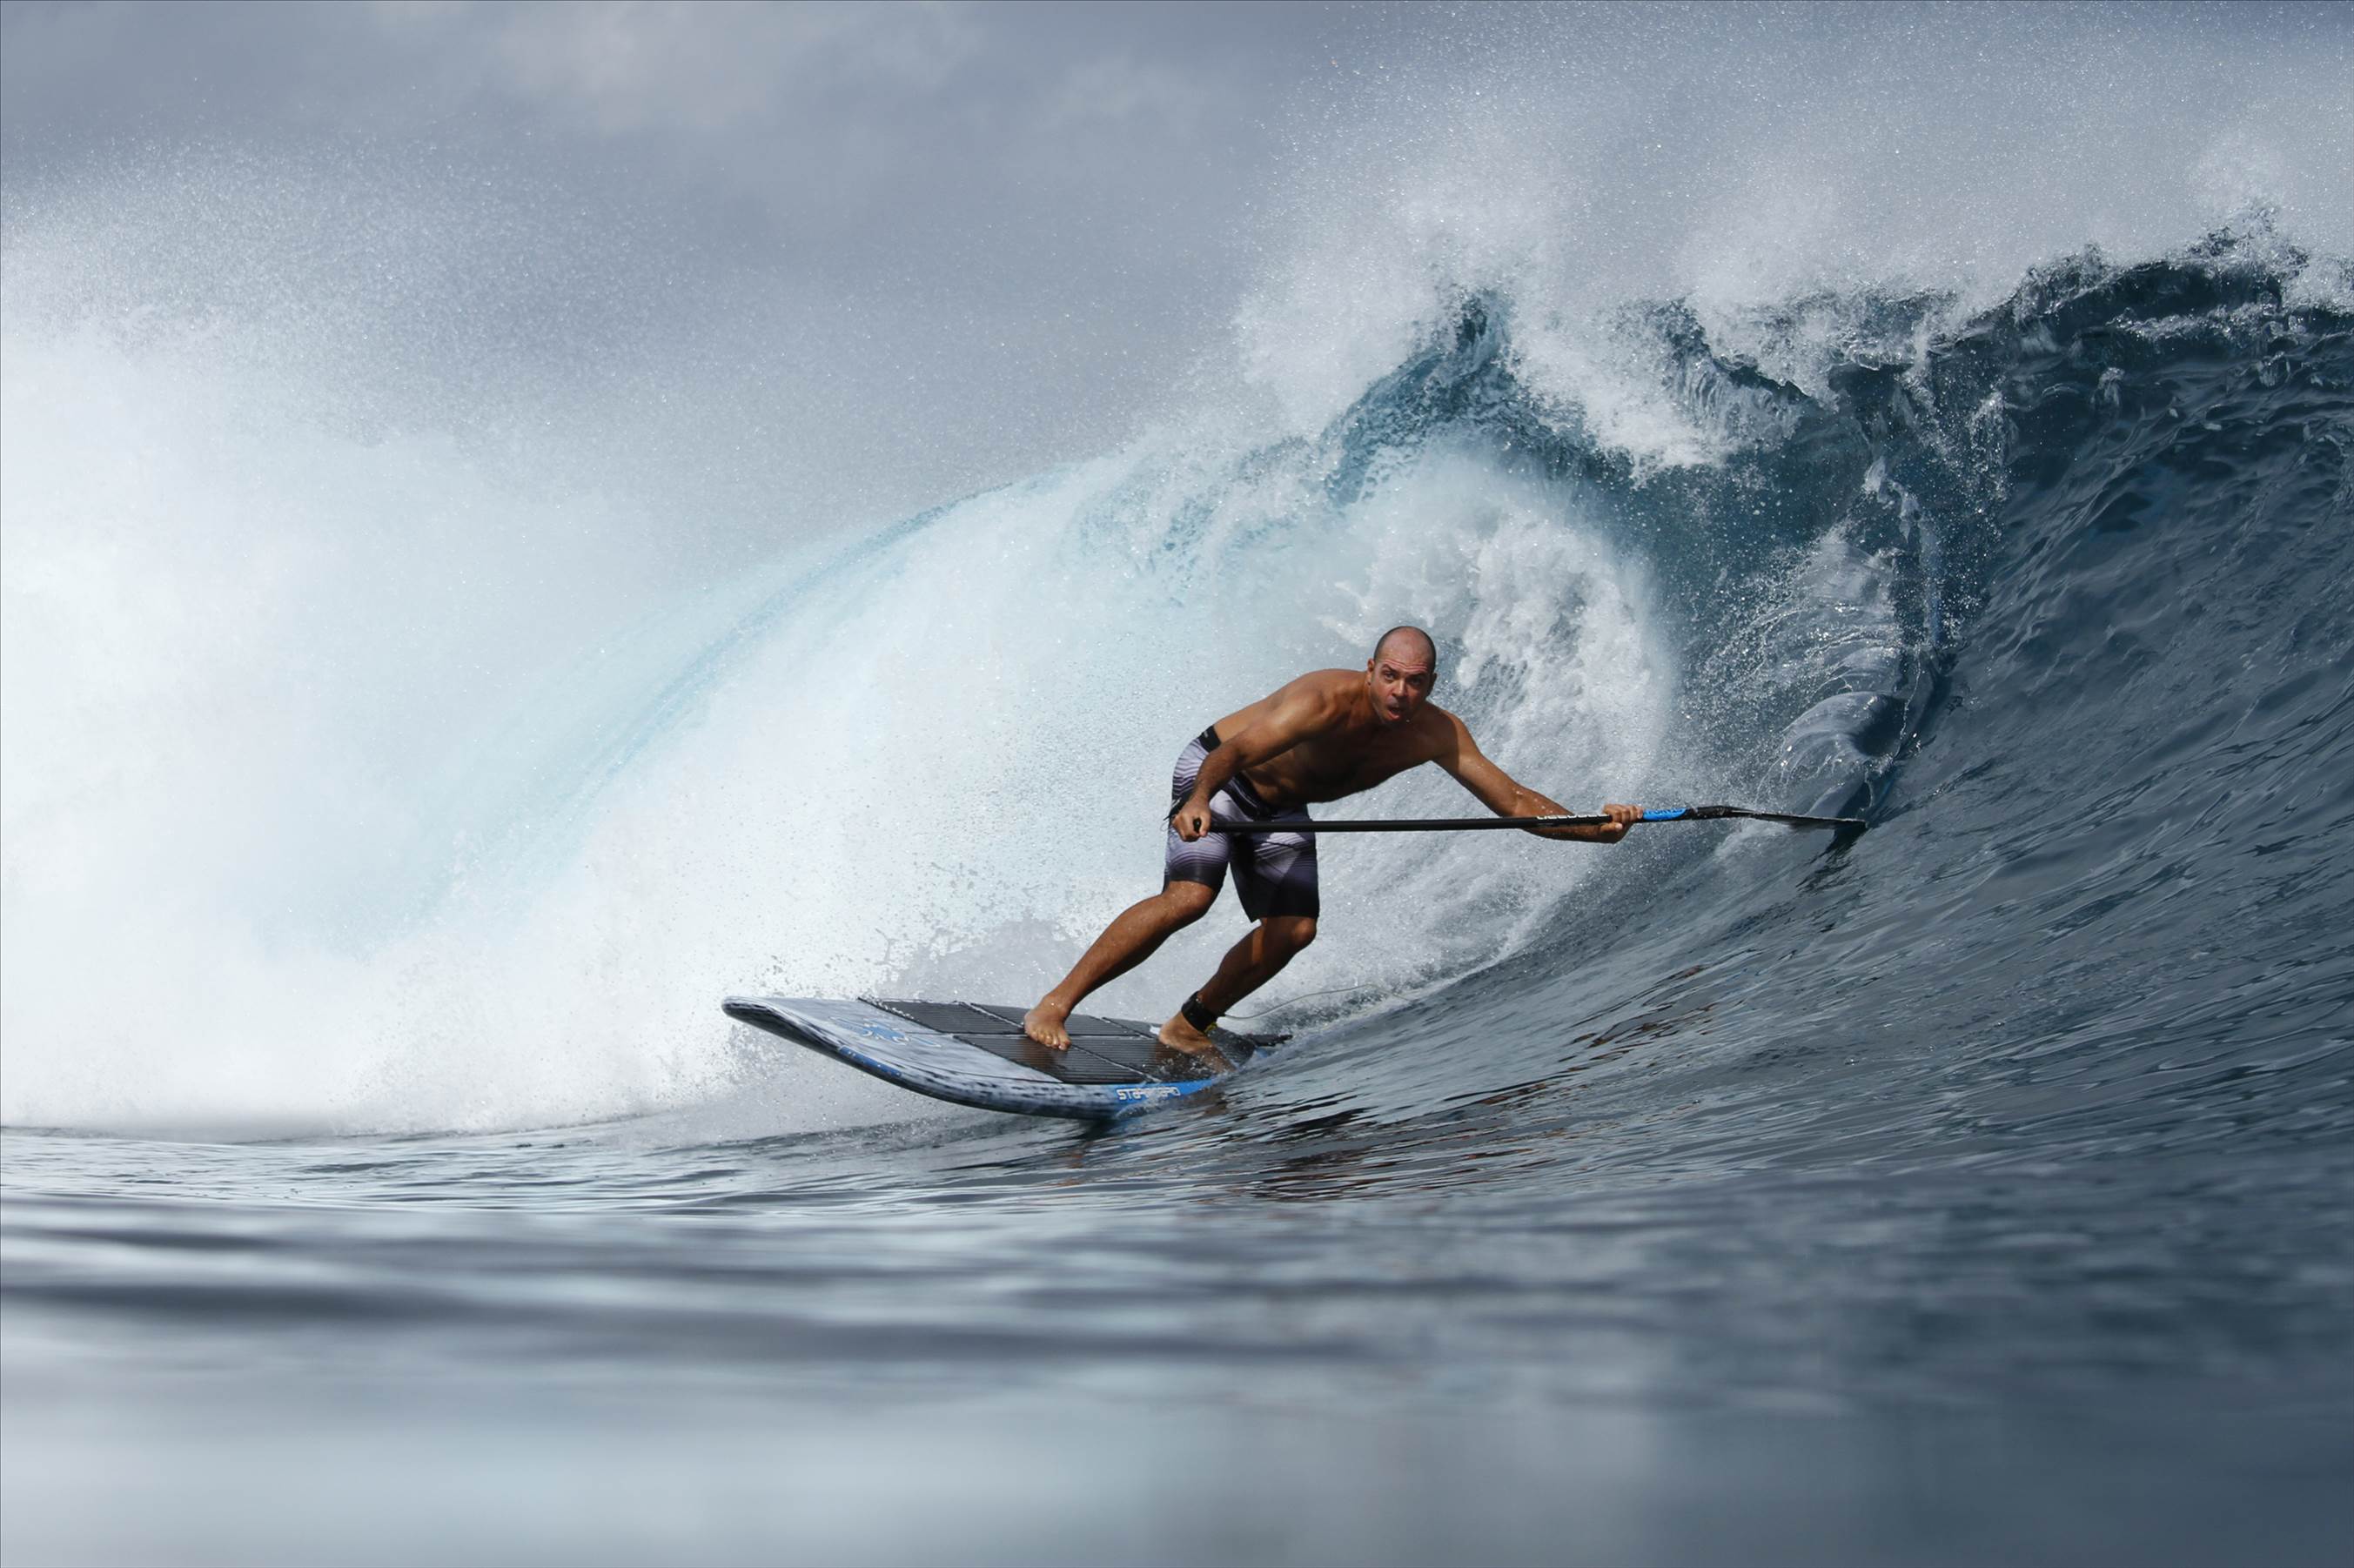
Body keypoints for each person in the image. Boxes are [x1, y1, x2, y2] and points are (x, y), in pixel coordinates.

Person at [1022, 626, 1642, 1052]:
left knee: (1294, 930)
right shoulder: (1321, 700)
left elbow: (1514, 803)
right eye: (1391, 677)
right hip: (1218, 779)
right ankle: (1054, 1004)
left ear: (1432, 682)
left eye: (1416, 681)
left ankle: (1188, 1026)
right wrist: (1195, 802)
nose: (1401, 693)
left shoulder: (1435, 733)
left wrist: (1597, 829)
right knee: (1189, 898)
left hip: (1282, 806)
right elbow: (1235, 750)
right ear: (1371, 670)